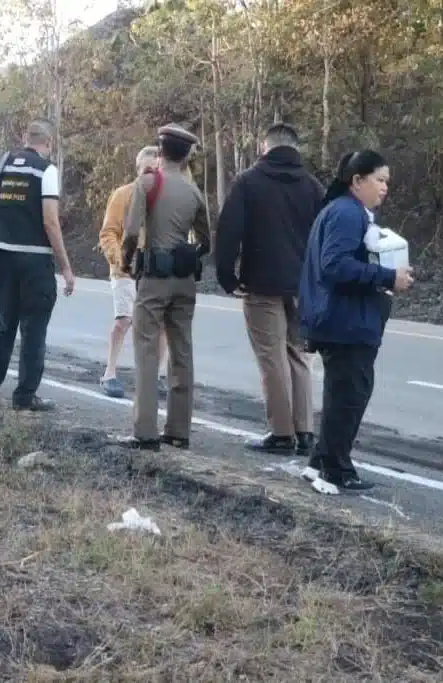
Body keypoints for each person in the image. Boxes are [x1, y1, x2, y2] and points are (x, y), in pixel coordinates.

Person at [298, 150, 414, 493]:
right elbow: (334, 265)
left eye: (387, 181)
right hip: (345, 323)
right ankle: (335, 471)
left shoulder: (343, 210)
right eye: (379, 180)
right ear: (357, 180)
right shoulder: (348, 213)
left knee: (343, 393)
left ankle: (320, 462)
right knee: (349, 397)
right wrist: (387, 277)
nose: (385, 187)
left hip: (342, 320)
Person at [214, 123, 325, 455]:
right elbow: (325, 236)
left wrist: (227, 276)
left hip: (261, 283)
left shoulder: (249, 182)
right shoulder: (313, 186)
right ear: (295, 148)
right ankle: (305, 431)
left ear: (266, 147)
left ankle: (281, 433)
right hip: (303, 286)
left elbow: (228, 231)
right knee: (300, 355)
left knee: (271, 356)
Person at [117, 123, 210, 450]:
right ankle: (179, 431)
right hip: (184, 280)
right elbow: (206, 240)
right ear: (185, 156)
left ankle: (145, 432)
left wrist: (127, 260)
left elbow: (131, 232)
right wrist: (186, 255)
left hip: (154, 278)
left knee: (146, 350)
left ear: (160, 150)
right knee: (182, 351)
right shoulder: (194, 191)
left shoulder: (147, 183)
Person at [0, 119, 76, 411]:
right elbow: (50, 222)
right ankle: (24, 396)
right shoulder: (46, 170)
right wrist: (66, 268)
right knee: (34, 331)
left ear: (25, 138)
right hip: (35, 261)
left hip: (4, 258)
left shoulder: (1, 165)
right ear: (49, 143)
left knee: (5, 325)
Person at [97, 145, 169, 399]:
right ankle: (109, 373)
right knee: (124, 321)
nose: (151, 173)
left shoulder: (166, 198)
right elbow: (108, 232)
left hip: (156, 270)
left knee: (162, 324)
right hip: (126, 269)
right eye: (147, 168)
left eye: (156, 169)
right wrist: (121, 261)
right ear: (138, 169)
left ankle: (156, 376)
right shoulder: (123, 195)